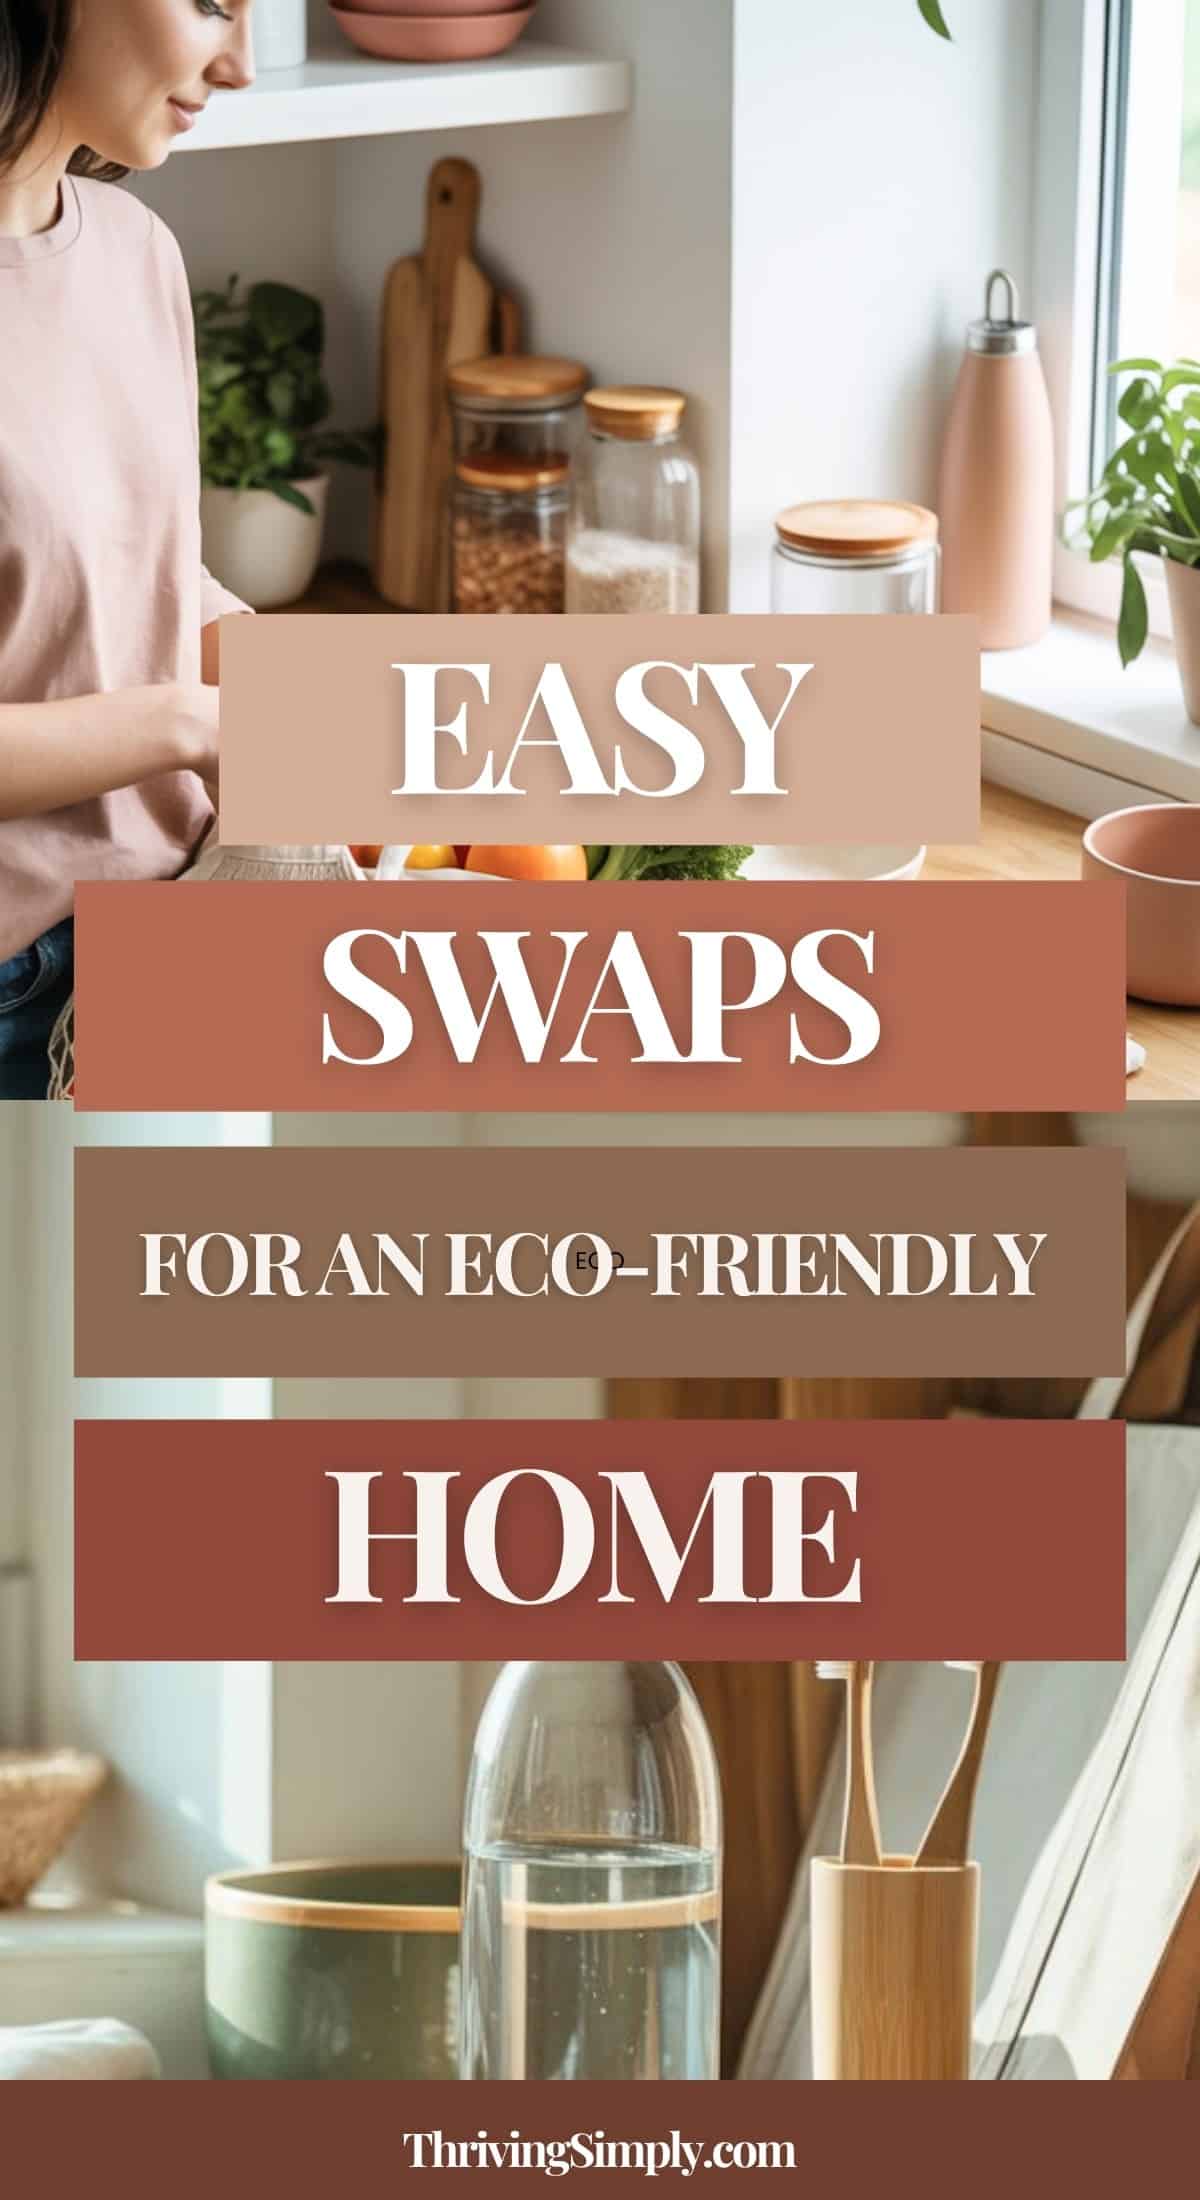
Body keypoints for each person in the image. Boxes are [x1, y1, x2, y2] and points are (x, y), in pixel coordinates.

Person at [0, 0, 256, 1096]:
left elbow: (147, 568)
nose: (238, 64)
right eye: (211, 3)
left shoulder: (135, 250)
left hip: (178, 929)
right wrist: (190, 724)